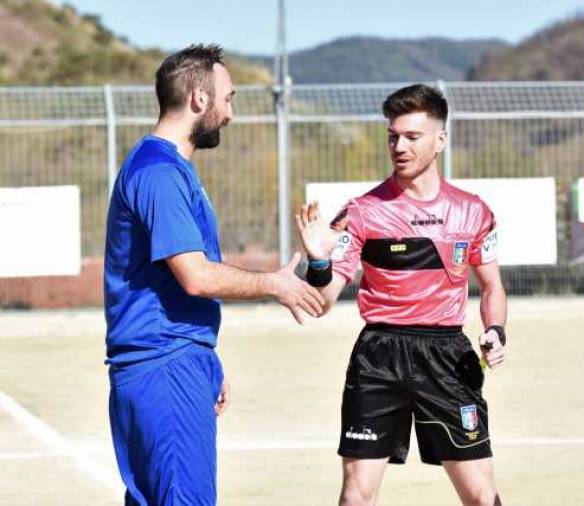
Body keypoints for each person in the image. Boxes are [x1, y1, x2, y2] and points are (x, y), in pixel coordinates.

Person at [103, 44, 324, 506]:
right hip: (164, 365)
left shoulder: (166, 169)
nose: (231, 113)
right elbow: (195, 276)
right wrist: (273, 285)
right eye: (229, 98)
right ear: (199, 100)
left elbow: (172, 286)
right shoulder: (159, 173)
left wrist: (205, 356)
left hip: (173, 357)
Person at [295, 84, 507, 506]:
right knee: (356, 496)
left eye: (412, 136)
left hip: (448, 355)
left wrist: (496, 330)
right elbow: (321, 302)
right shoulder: (360, 212)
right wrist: (318, 263)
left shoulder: (473, 211)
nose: (400, 146)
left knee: (482, 497)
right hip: (379, 356)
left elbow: (493, 286)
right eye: (393, 136)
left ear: (440, 139)